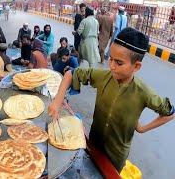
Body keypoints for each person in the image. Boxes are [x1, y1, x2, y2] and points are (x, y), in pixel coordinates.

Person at [48, 27, 174, 172]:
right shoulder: (104, 77)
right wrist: (57, 101)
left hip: (116, 154)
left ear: (136, 66)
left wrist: (142, 128)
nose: (112, 66)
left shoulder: (144, 92)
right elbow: (71, 74)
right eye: (111, 59)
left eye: (119, 63)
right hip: (94, 143)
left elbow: (170, 113)